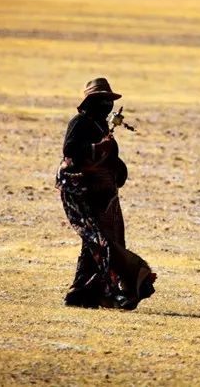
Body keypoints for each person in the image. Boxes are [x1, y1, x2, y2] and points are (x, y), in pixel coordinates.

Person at [56, 77, 155, 310]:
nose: (106, 104)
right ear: (89, 102)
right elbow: (71, 152)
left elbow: (109, 158)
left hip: (98, 192)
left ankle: (82, 292)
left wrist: (116, 169)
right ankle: (119, 288)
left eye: (108, 100)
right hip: (76, 190)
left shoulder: (101, 125)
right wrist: (98, 151)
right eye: (100, 100)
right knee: (99, 240)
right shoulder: (79, 122)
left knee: (93, 242)